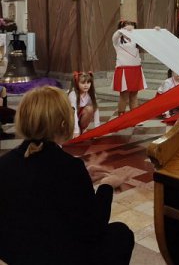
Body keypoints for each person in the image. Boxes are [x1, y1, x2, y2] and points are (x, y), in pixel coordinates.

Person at [0, 86, 134, 265]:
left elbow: (38, 189)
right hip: (58, 257)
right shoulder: (70, 168)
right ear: (63, 123)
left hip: (16, 254)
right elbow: (94, 228)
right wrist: (107, 186)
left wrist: (83, 177)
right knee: (120, 233)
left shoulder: (5, 162)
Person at [112, 20, 147, 116]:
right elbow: (115, 36)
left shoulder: (136, 40)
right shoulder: (118, 41)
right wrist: (122, 30)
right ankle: (121, 116)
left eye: (132, 27)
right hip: (123, 70)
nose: (130, 29)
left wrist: (156, 31)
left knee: (134, 95)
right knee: (124, 95)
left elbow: (148, 38)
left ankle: (134, 117)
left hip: (136, 69)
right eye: (127, 26)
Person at [69, 71, 100, 136]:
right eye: (83, 83)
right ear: (77, 83)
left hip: (80, 116)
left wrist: (97, 127)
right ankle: (75, 129)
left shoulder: (91, 94)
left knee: (90, 109)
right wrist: (76, 130)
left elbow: (96, 109)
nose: (86, 85)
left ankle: (82, 128)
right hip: (70, 118)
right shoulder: (73, 95)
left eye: (88, 82)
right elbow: (73, 113)